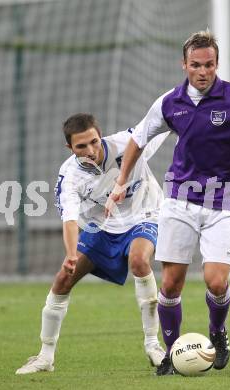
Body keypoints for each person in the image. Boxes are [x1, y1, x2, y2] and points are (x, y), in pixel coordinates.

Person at [105, 30, 230, 375]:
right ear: (184, 64)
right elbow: (138, 139)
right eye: (195, 65)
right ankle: (172, 355)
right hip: (179, 201)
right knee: (171, 284)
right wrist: (119, 182)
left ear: (217, 64)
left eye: (209, 65)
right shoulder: (169, 102)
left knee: (216, 282)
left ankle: (217, 331)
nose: (203, 71)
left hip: (226, 203)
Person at [16, 113, 166, 374]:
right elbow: (70, 220)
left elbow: (164, 122)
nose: (91, 150)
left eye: (94, 142)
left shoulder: (127, 142)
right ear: (69, 148)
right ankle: (45, 356)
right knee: (63, 279)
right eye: (81, 146)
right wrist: (71, 254)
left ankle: (153, 345)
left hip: (144, 214)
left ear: (100, 134)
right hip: (102, 226)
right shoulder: (70, 176)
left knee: (139, 260)